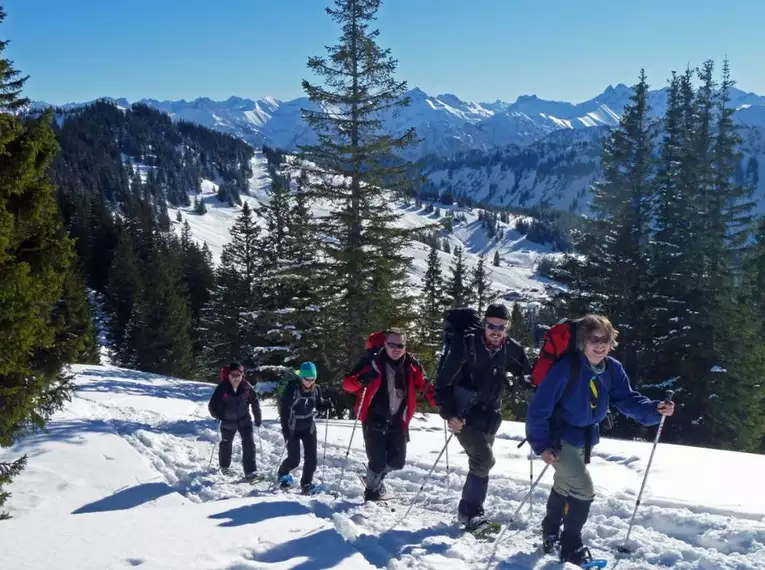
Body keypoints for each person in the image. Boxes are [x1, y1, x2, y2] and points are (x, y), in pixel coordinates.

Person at [525, 314, 675, 565]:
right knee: (583, 490)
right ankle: (571, 546)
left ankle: (550, 532)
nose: (600, 344)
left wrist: (654, 409)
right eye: (593, 339)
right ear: (583, 341)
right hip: (559, 437)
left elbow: (626, 399)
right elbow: (538, 410)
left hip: (584, 438)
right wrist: (542, 445)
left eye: (605, 339)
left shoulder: (612, 368)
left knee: (564, 486)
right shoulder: (566, 368)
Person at [435, 303, 532, 529]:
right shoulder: (466, 345)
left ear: (508, 327)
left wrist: (530, 381)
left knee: (484, 462)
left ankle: (469, 510)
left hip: (490, 415)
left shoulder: (512, 349)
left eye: (501, 326)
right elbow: (441, 383)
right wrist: (449, 413)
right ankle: (471, 512)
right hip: (463, 412)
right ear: (484, 324)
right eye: (491, 325)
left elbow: (527, 374)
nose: (495, 331)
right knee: (483, 459)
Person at [343, 328, 438, 501]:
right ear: (385, 344)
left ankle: (374, 477)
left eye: (400, 345)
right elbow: (347, 385)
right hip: (373, 419)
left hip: (397, 421)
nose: (396, 349)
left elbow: (424, 386)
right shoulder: (372, 362)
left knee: (397, 462)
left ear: (405, 346)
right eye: (392, 344)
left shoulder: (411, 365)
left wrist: (439, 402)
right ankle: (372, 491)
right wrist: (360, 381)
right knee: (377, 462)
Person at [277, 361, 332, 494]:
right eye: (306, 379)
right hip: (292, 427)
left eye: (312, 379)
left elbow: (318, 405)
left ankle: (306, 484)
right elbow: (285, 410)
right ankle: (283, 473)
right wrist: (286, 428)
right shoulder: (292, 389)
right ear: (301, 377)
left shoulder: (316, 389)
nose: (309, 382)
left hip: (308, 427)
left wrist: (325, 405)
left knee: (312, 459)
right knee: (294, 459)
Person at [208, 362, 262, 479]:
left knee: (249, 444)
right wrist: (218, 415)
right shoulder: (223, 387)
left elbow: (255, 401)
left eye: (239, 375)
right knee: (226, 444)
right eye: (233, 375)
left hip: (244, 419)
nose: (236, 378)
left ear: (242, 375)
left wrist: (257, 418)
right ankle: (224, 467)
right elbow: (213, 404)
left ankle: (250, 471)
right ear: (228, 376)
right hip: (228, 420)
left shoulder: (246, 386)